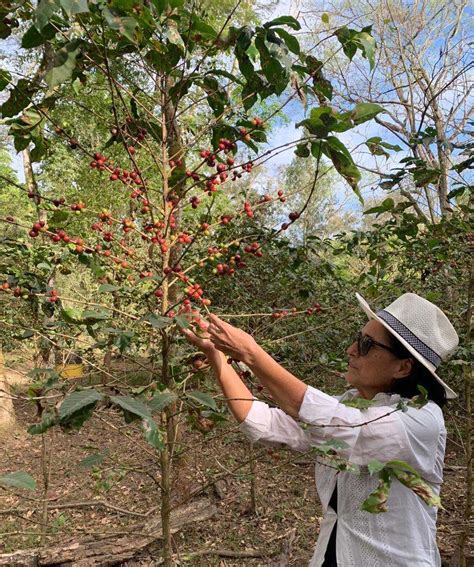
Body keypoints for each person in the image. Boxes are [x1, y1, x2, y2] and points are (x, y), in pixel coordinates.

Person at [181, 292, 459, 566]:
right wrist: (217, 355)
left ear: (403, 367)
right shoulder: (352, 405)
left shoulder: (422, 420)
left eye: (366, 345)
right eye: (357, 339)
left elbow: (341, 427)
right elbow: (262, 422)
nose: (351, 350)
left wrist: (252, 354)